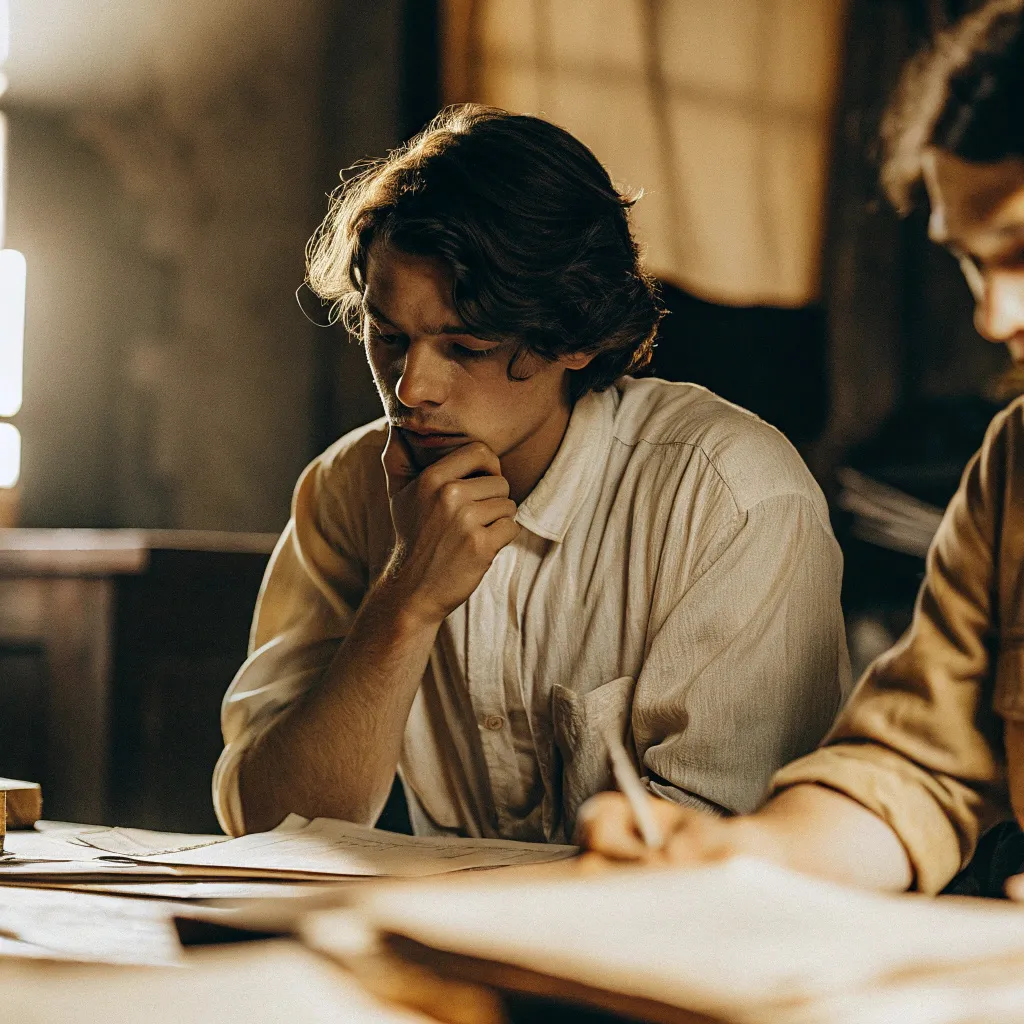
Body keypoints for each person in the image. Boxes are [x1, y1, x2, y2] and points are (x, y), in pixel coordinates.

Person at [213, 105, 850, 841]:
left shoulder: (731, 499)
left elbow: (711, 868)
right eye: (387, 337)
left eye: (466, 347)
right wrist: (405, 600)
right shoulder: (346, 488)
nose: (411, 388)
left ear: (576, 336)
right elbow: (264, 821)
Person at [578, 0, 1024, 897]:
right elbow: (916, 768)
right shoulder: (1014, 465)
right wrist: (742, 855)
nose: (995, 314)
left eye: (1020, 249)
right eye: (973, 261)